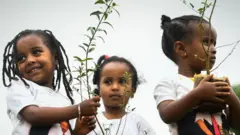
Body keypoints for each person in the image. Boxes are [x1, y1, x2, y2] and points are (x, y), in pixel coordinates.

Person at [153, 15, 240, 135]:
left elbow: (237, 124)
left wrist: (231, 97)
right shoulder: (170, 82)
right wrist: (198, 94)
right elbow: (167, 115)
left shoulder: (215, 83)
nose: (214, 49)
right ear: (181, 49)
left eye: (214, 43)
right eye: (206, 42)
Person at [2, 29, 100, 135]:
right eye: (21, 58)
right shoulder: (19, 87)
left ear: (55, 58)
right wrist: (78, 109)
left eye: (36, 52)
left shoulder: (65, 102)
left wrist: (78, 132)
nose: (29, 60)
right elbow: (33, 115)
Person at [76, 55, 156, 135]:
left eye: (121, 81)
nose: (115, 87)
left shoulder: (138, 123)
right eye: (108, 82)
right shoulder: (90, 122)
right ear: (99, 89)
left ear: (132, 91)